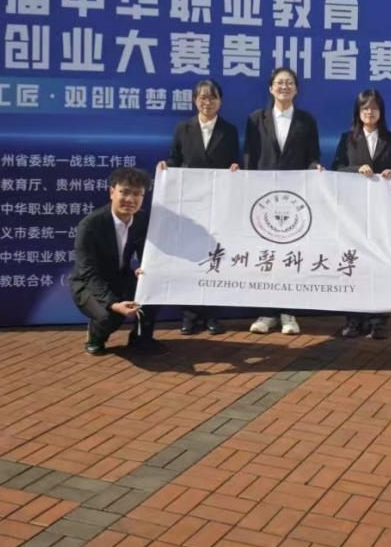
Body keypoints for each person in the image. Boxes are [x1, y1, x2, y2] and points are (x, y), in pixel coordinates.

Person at [157, 78, 239, 335]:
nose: (207, 102)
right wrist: (166, 166)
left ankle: (213, 316)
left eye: (212, 97)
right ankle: (189, 315)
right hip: (190, 202)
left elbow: (235, 160)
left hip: (218, 201)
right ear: (195, 100)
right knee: (191, 257)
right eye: (203, 97)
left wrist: (236, 167)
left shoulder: (229, 130)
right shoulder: (183, 128)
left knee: (215, 256)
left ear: (220, 102)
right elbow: (175, 158)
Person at [243, 66, 321, 334]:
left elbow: (313, 155)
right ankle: (266, 313)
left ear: (296, 89)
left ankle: (288, 313)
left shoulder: (306, 121)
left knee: (290, 254)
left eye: (289, 83)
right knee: (265, 254)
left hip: (294, 198)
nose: (284, 87)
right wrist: (247, 186)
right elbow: (249, 155)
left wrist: (315, 167)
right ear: (270, 88)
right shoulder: (256, 118)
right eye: (279, 82)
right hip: (263, 198)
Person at [332, 88, 391, 340]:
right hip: (353, 211)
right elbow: (337, 168)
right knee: (353, 261)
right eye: (365, 108)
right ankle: (354, 320)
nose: (369, 112)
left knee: (380, 261)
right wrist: (356, 169)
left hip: (381, 211)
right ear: (358, 112)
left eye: (374, 108)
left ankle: (378, 320)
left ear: (381, 112)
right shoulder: (347, 138)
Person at [70, 166, 155, 356]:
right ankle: (95, 337)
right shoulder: (90, 225)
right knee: (109, 316)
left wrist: (144, 267)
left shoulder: (142, 220)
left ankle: (141, 339)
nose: (130, 199)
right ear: (112, 192)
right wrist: (114, 304)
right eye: (124, 192)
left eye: (137, 194)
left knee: (152, 293)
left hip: (121, 276)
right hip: (88, 282)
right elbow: (88, 272)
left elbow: (147, 249)